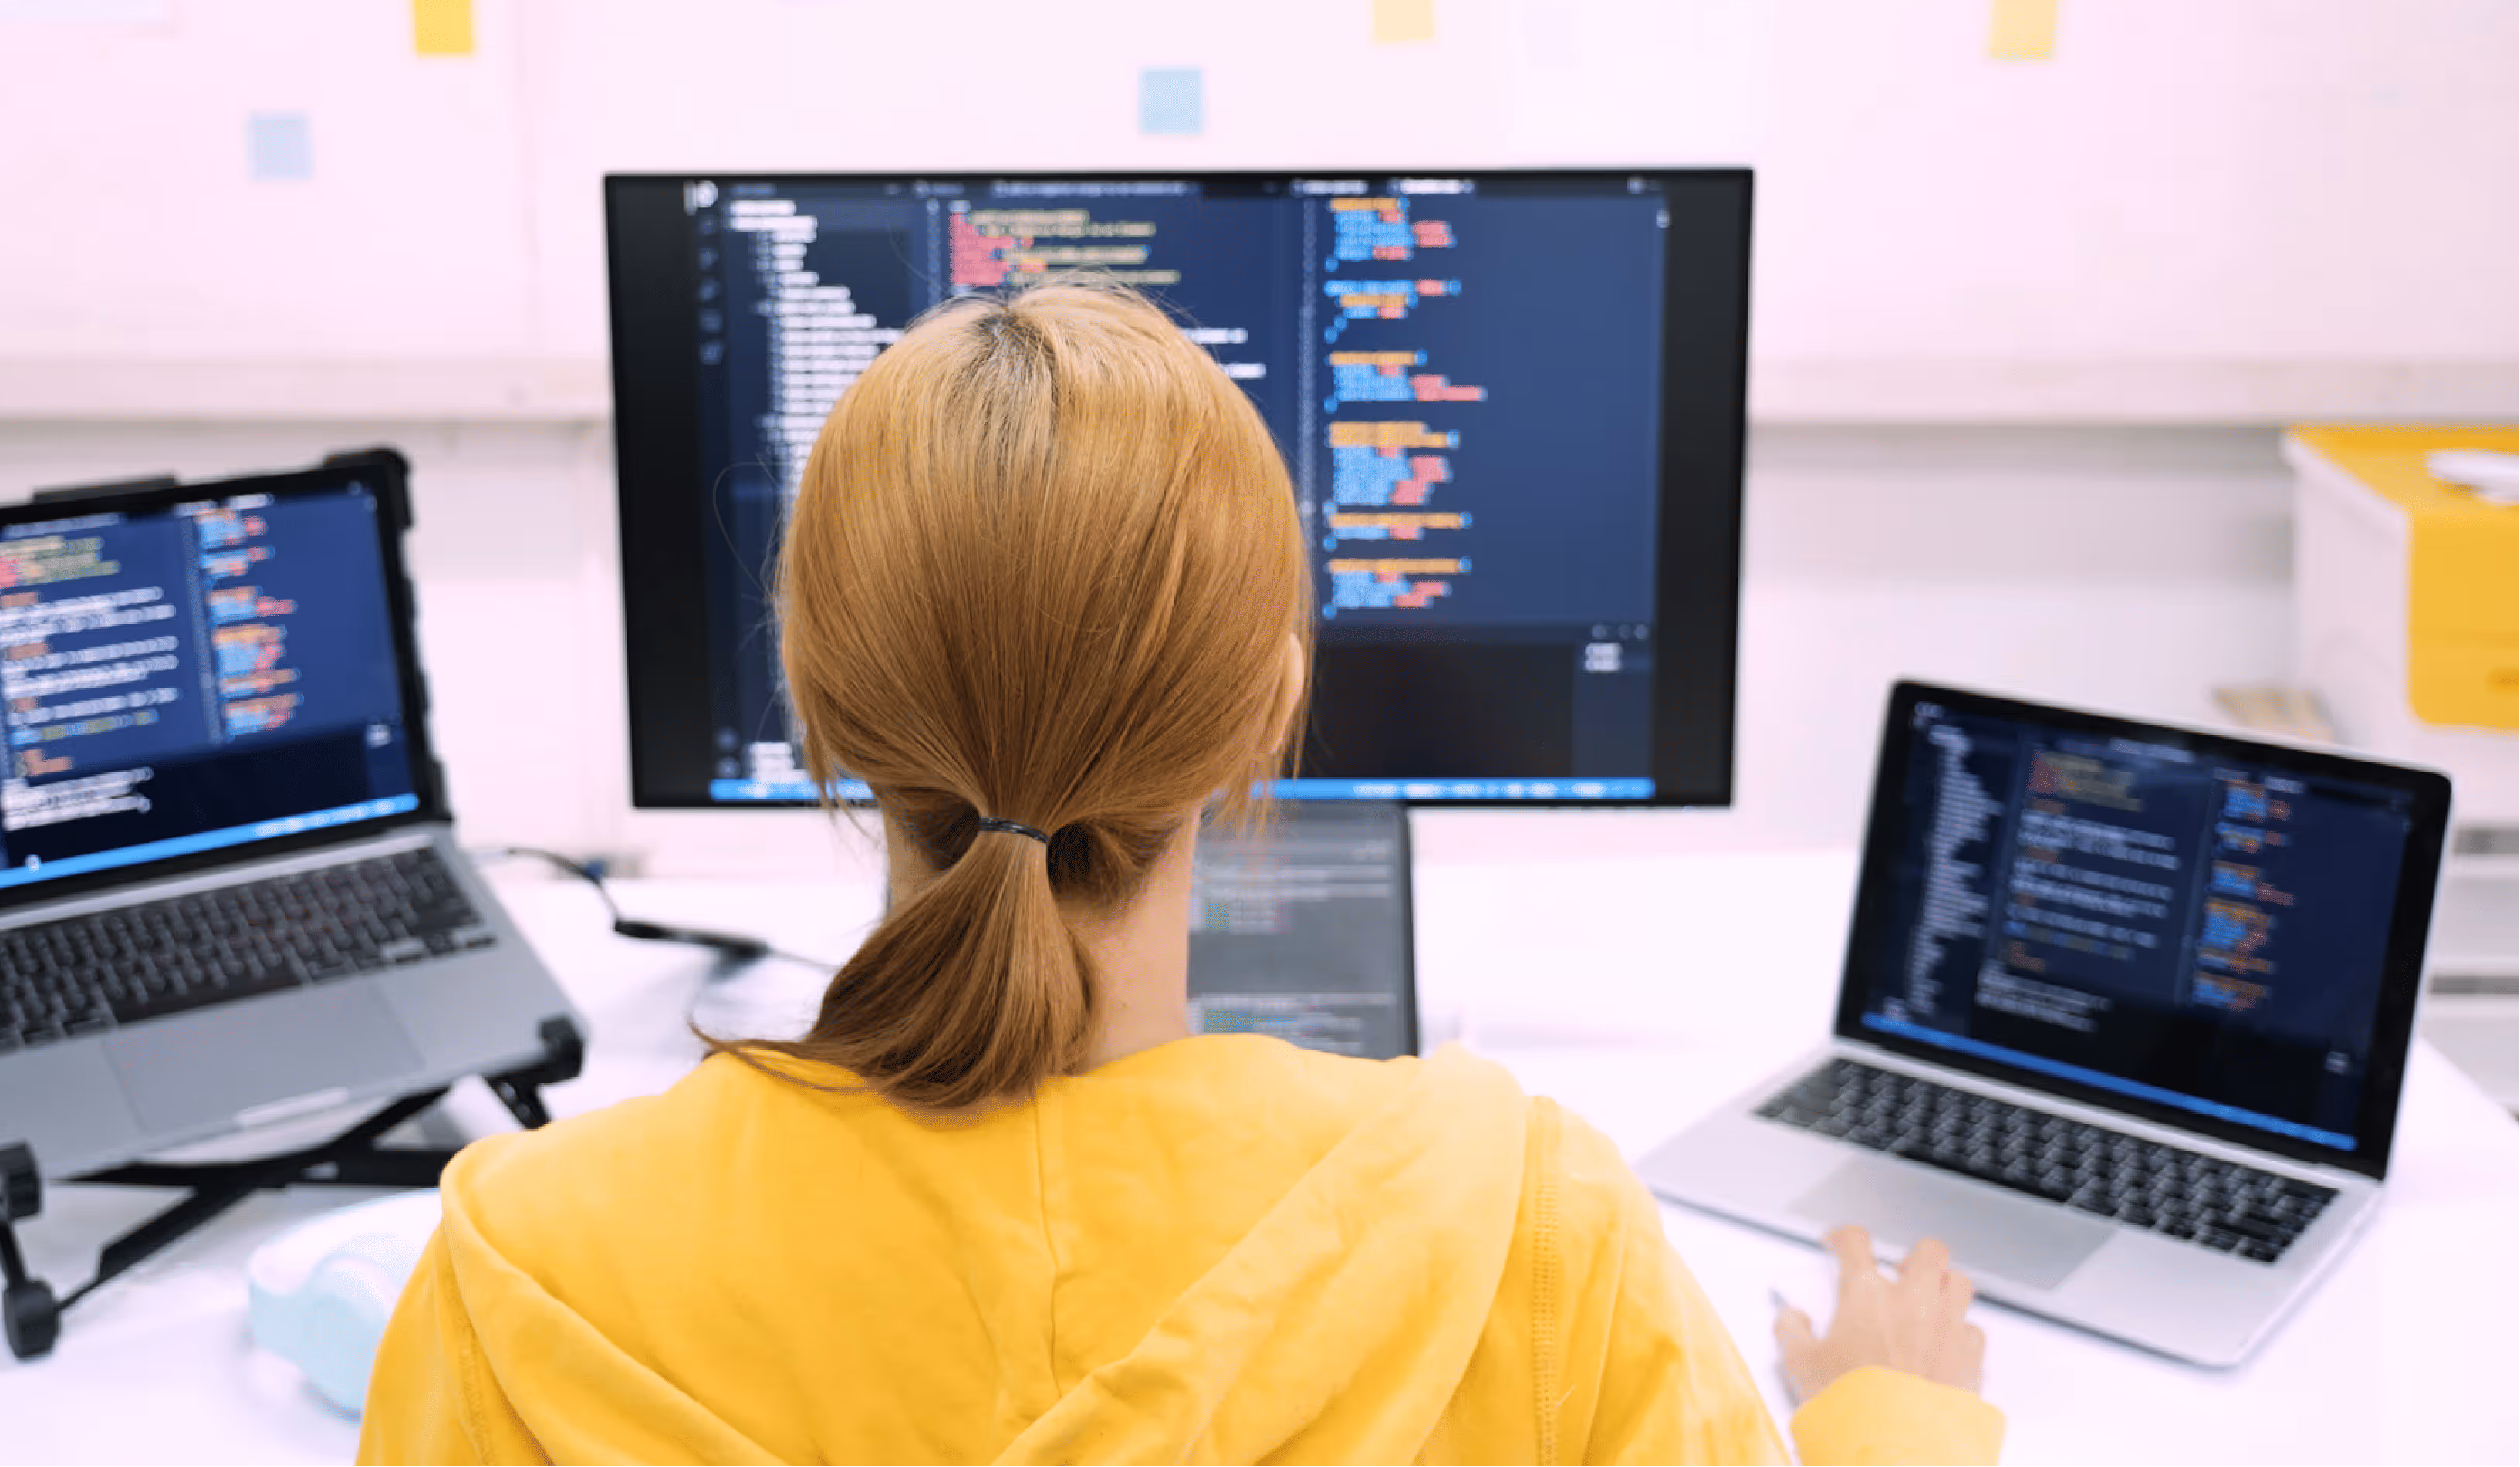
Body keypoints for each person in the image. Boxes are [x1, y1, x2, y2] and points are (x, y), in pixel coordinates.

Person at [358, 284, 2003, 1465]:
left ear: (815, 710)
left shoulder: (525, 1276)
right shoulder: (1524, 1231)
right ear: (1270, 713)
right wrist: (1892, 1419)